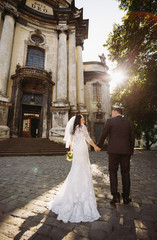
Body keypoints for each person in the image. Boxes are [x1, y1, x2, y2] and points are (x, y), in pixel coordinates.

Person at [47, 114, 101, 223]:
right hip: (82, 149)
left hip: (76, 150)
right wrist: (95, 146)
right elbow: (88, 138)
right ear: (78, 120)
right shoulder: (83, 128)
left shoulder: (73, 129)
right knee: (84, 169)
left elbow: (71, 142)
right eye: (82, 119)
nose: (84, 120)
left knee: (76, 169)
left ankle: (71, 192)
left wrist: (70, 152)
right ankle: (83, 192)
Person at [97, 107, 135, 205]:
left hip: (113, 151)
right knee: (126, 173)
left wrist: (98, 146)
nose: (111, 114)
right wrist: (130, 151)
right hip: (126, 152)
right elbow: (132, 138)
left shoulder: (110, 121)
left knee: (113, 172)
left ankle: (115, 197)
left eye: (112, 112)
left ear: (115, 112)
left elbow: (103, 134)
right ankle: (126, 197)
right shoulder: (129, 123)